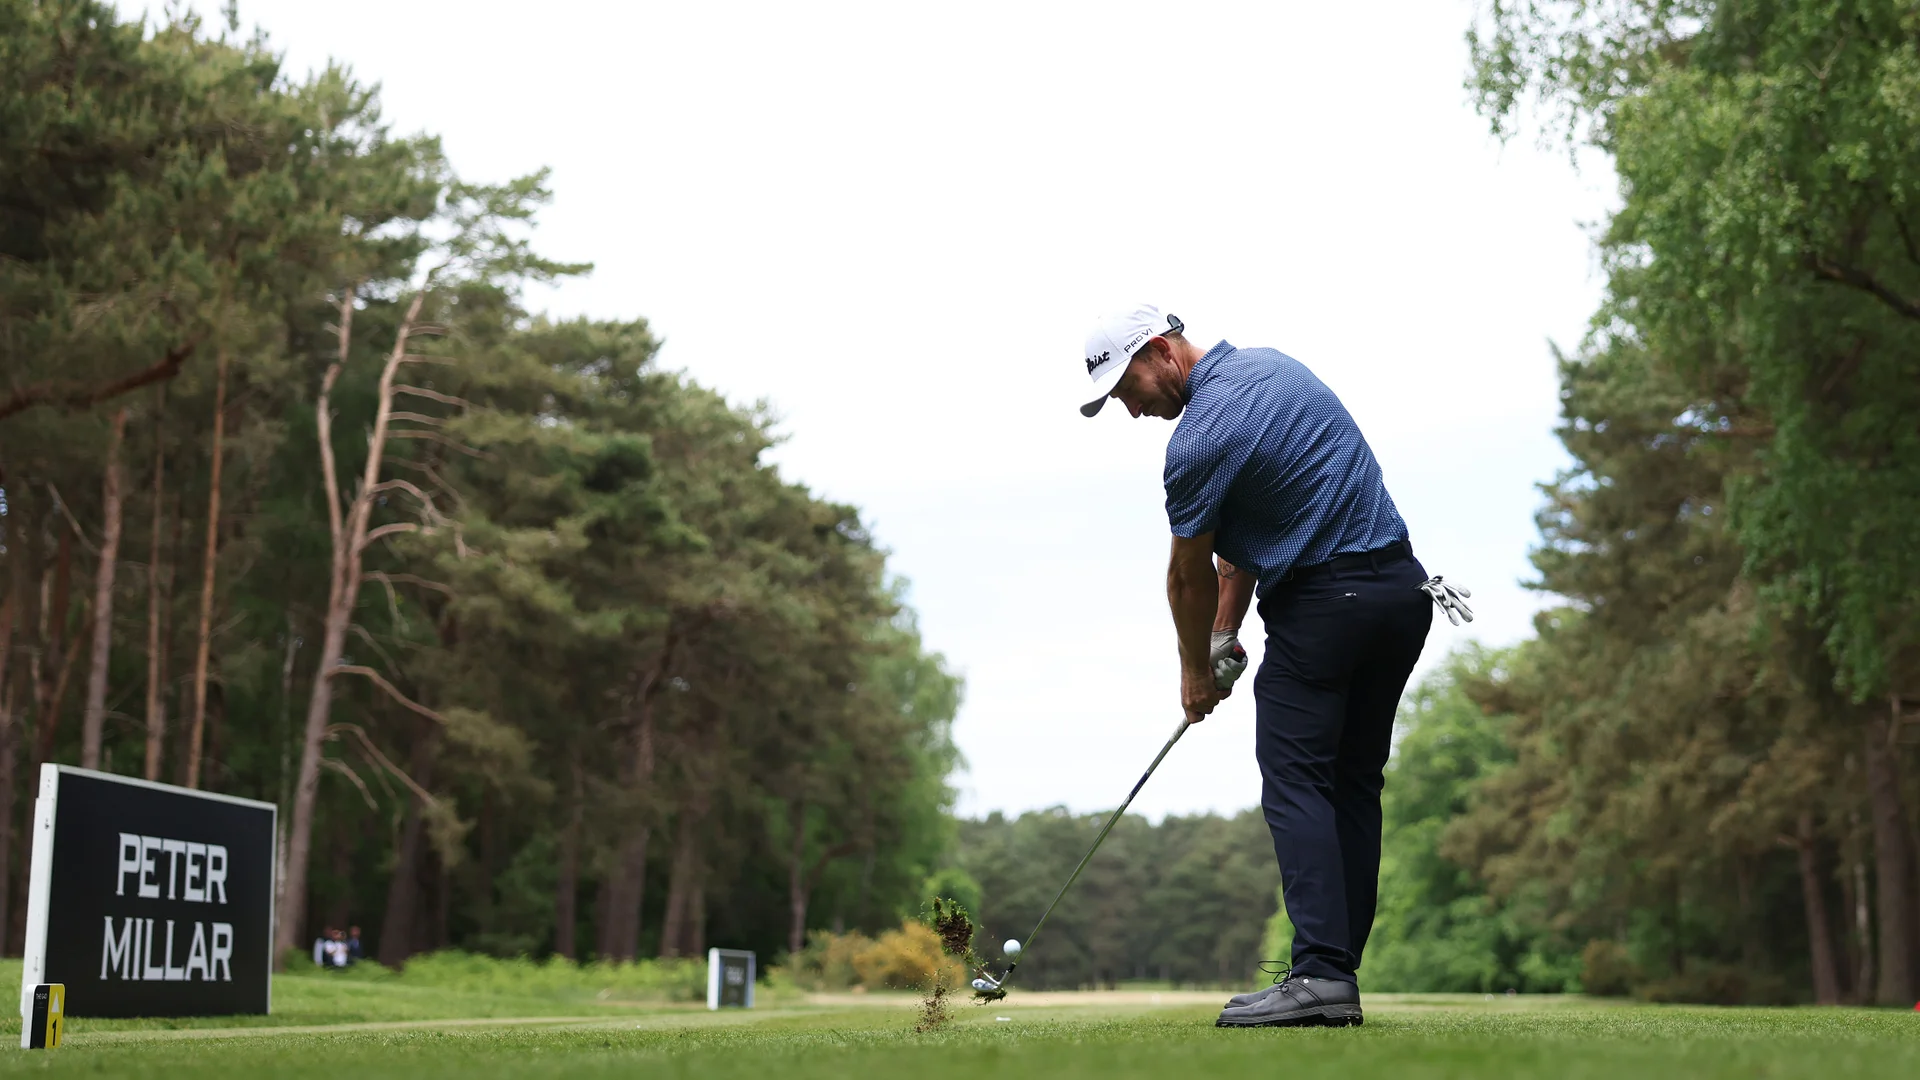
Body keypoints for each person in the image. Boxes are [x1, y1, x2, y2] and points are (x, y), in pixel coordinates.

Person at [1076, 304, 1472, 1029]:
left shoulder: (1196, 440)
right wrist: (1224, 638)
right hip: (1400, 597)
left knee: (1297, 779)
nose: (1132, 412)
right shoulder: (1274, 370)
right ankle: (1333, 972)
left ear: (1162, 351)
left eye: (1128, 390)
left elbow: (1187, 578)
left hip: (1328, 604)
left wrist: (1195, 672)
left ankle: (1320, 975)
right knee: (1352, 784)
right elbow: (1243, 552)